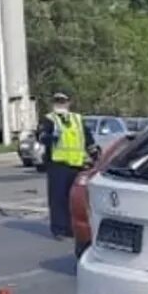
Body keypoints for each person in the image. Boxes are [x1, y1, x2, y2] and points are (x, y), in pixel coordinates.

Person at [36, 92, 94, 238]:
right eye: (57, 101)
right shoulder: (49, 119)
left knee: (74, 199)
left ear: (69, 103)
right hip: (58, 165)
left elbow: (88, 139)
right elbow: (41, 136)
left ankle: (72, 228)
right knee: (58, 198)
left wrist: (95, 155)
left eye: (63, 101)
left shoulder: (77, 119)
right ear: (53, 103)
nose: (60, 104)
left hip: (77, 165)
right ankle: (59, 229)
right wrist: (49, 138)